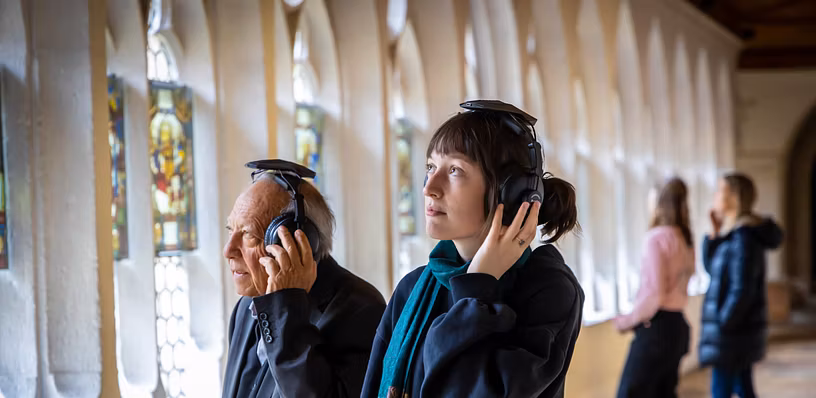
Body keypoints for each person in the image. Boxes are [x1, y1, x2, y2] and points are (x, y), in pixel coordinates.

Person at [362, 101, 584, 398]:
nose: (429, 187)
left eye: (455, 170)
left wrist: (477, 288)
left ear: (509, 191)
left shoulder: (548, 291)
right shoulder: (413, 288)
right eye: (431, 166)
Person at [221, 160, 386, 398]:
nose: (228, 250)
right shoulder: (247, 306)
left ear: (299, 243)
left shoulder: (362, 311)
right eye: (230, 230)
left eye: (248, 234)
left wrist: (285, 309)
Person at [700, 172, 783, 398]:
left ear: (733, 198)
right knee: (742, 388)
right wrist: (714, 235)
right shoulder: (734, 235)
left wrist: (724, 323)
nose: (715, 196)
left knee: (722, 390)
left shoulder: (743, 238)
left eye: (720, 191)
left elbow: (741, 289)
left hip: (733, 334)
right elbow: (713, 272)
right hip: (735, 333)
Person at [614, 177, 696, 398]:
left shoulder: (656, 238)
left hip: (657, 330)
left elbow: (654, 295)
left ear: (660, 203)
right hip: (677, 327)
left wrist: (626, 321)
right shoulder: (685, 238)